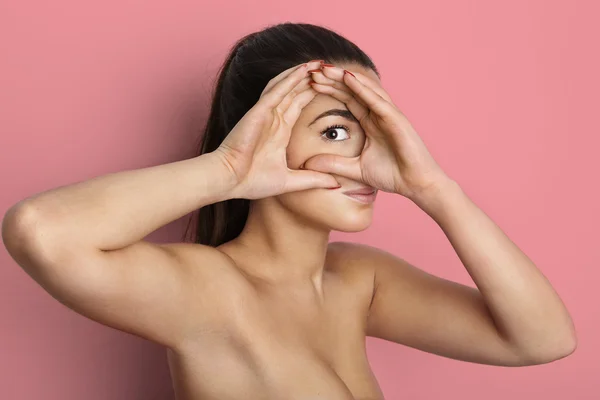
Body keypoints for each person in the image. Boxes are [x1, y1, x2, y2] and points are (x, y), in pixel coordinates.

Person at [2, 22, 577, 400]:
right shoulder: (205, 290)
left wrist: (433, 187)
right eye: (336, 130)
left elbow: (542, 340)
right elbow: (40, 231)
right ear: (259, 138)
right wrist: (229, 170)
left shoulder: (359, 281)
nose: (369, 159)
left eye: (379, 131)